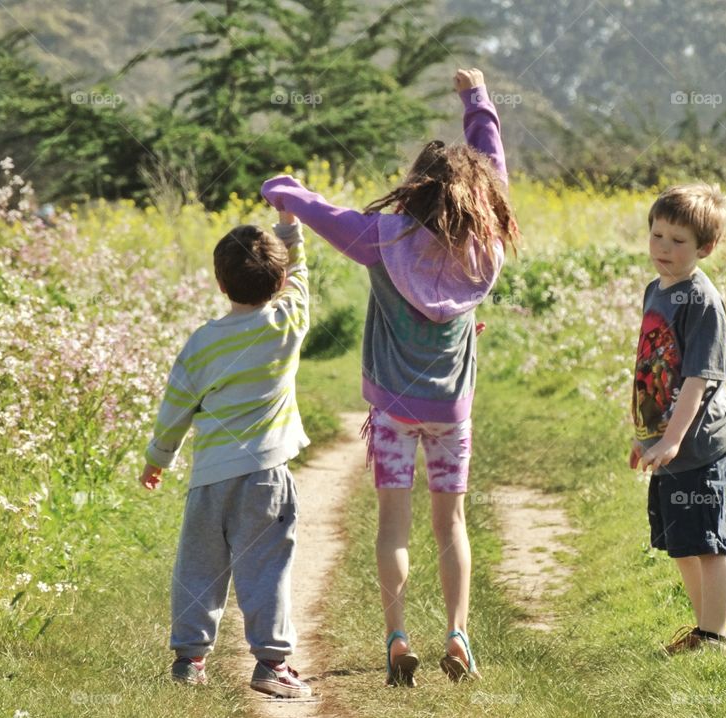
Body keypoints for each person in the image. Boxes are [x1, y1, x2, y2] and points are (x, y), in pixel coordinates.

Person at [259, 67, 518, 686]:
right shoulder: (486, 242)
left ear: (413, 191)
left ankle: (398, 637)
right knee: (450, 523)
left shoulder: (381, 238)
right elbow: (493, 160)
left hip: (393, 411)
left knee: (393, 525)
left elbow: (322, 213)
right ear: (475, 195)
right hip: (452, 412)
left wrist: (285, 191)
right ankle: (458, 633)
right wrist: (475, 99)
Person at [139, 209, 312, 698]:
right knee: (267, 568)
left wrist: (159, 457)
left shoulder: (201, 343)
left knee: (198, 566)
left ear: (220, 283)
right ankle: (271, 665)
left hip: (209, 478)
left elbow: (176, 407)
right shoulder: (287, 323)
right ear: (278, 282)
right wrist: (290, 228)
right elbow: (300, 278)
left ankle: (189, 659)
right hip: (265, 477)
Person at [629, 183, 726, 654]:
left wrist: (672, 440)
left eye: (678, 241)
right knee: (682, 542)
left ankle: (715, 636)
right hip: (667, 442)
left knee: (708, 541)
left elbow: (696, 379)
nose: (663, 248)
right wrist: (644, 435)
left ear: (705, 247)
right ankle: (702, 630)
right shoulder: (656, 291)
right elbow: (651, 367)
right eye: (657, 235)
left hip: (700, 444)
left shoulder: (702, 301)